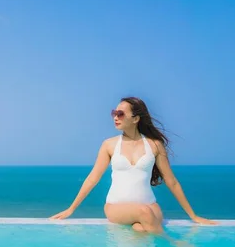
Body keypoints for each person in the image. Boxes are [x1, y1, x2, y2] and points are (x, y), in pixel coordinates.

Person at [50, 96, 217, 234]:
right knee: (143, 213)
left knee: (140, 229)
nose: (115, 117)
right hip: (116, 208)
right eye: (114, 113)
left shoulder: (155, 145)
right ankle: (172, 246)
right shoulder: (109, 145)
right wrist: (71, 209)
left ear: (136, 118)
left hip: (151, 206)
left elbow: (171, 181)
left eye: (120, 114)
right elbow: (93, 178)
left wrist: (193, 216)